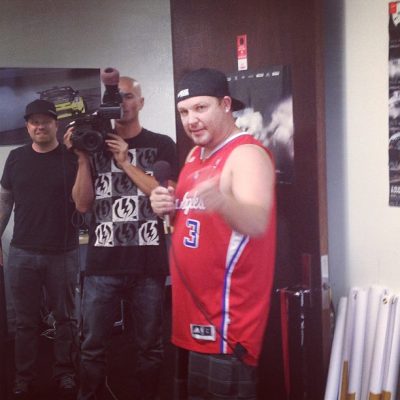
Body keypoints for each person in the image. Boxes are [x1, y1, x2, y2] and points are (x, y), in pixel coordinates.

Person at [150, 68, 276, 400]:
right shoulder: (195, 155)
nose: (191, 120)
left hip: (225, 322)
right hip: (190, 314)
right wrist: (166, 206)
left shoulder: (246, 154)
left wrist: (222, 201)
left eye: (200, 108)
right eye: (184, 112)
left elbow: (257, 222)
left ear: (225, 104)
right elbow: (192, 221)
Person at [65, 75, 177, 400]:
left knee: (150, 346)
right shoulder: (94, 144)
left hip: (148, 263)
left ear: (141, 102)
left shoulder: (162, 143)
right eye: (117, 98)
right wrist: (83, 158)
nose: (123, 103)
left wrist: (125, 163)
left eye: (129, 96)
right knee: (92, 345)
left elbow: (162, 194)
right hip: (103, 263)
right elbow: (82, 204)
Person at [0, 99, 80, 399]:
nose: (40, 126)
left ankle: (65, 373)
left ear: (55, 124)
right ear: (27, 126)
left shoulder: (72, 158)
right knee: (24, 322)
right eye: (34, 121)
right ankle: (24, 377)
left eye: (45, 121)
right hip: (22, 252)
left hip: (63, 252)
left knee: (66, 319)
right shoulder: (16, 158)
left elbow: (85, 199)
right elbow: (5, 201)